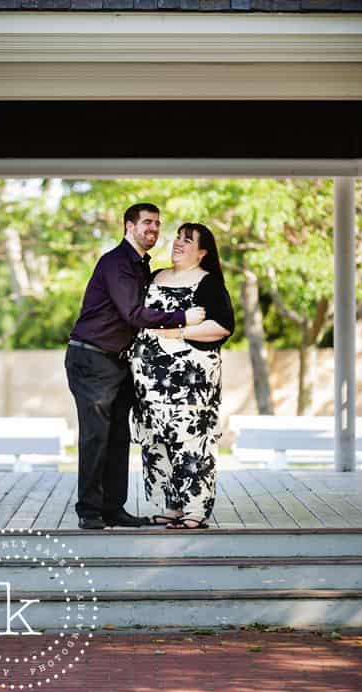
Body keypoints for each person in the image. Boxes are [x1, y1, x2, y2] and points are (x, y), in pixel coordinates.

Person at [66, 203, 205, 530]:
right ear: (128, 226)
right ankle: (89, 511)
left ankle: (113, 509)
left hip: (117, 361)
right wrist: (183, 318)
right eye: (146, 222)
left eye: (157, 224)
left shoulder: (141, 266)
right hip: (91, 357)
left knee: (117, 437)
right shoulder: (116, 263)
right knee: (95, 437)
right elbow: (134, 314)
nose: (153, 229)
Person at [130, 222, 234, 530]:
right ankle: (170, 507)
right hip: (148, 382)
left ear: (202, 252)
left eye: (188, 240)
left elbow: (223, 326)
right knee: (156, 444)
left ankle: (195, 511)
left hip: (190, 384)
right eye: (178, 237)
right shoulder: (155, 276)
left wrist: (176, 331)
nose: (178, 242)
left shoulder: (209, 283)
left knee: (191, 444)